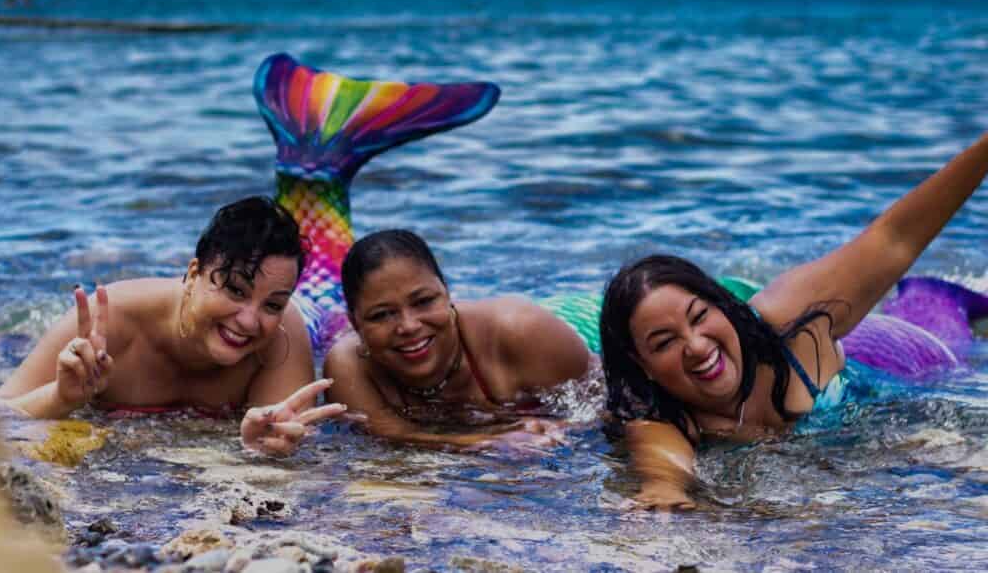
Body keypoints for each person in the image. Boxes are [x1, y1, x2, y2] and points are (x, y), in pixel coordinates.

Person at [599, 131, 988, 509]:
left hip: (898, 353)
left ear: (722, 305)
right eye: (665, 342)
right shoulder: (662, 417)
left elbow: (894, 239)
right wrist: (664, 489)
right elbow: (661, 460)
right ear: (642, 364)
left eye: (700, 316)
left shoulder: (787, 318)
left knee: (949, 331)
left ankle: (933, 294)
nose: (698, 346)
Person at [0, 196, 345, 457]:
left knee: (332, 308)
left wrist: (264, 446)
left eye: (272, 305)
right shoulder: (109, 323)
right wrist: (60, 397)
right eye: (235, 290)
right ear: (193, 274)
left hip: (315, 319)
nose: (250, 320)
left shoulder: (283, 332)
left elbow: (287, 442)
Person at [324, 229, 592, 451]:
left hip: (579, 321)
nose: (408, 326)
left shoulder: (524, 333)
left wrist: (562, 430)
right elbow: (388, 434)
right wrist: (486, 443)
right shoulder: (349, 365)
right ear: (354, 323)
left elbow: (606, 409)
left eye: (424, 301)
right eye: (382, 315)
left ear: (447, 294)